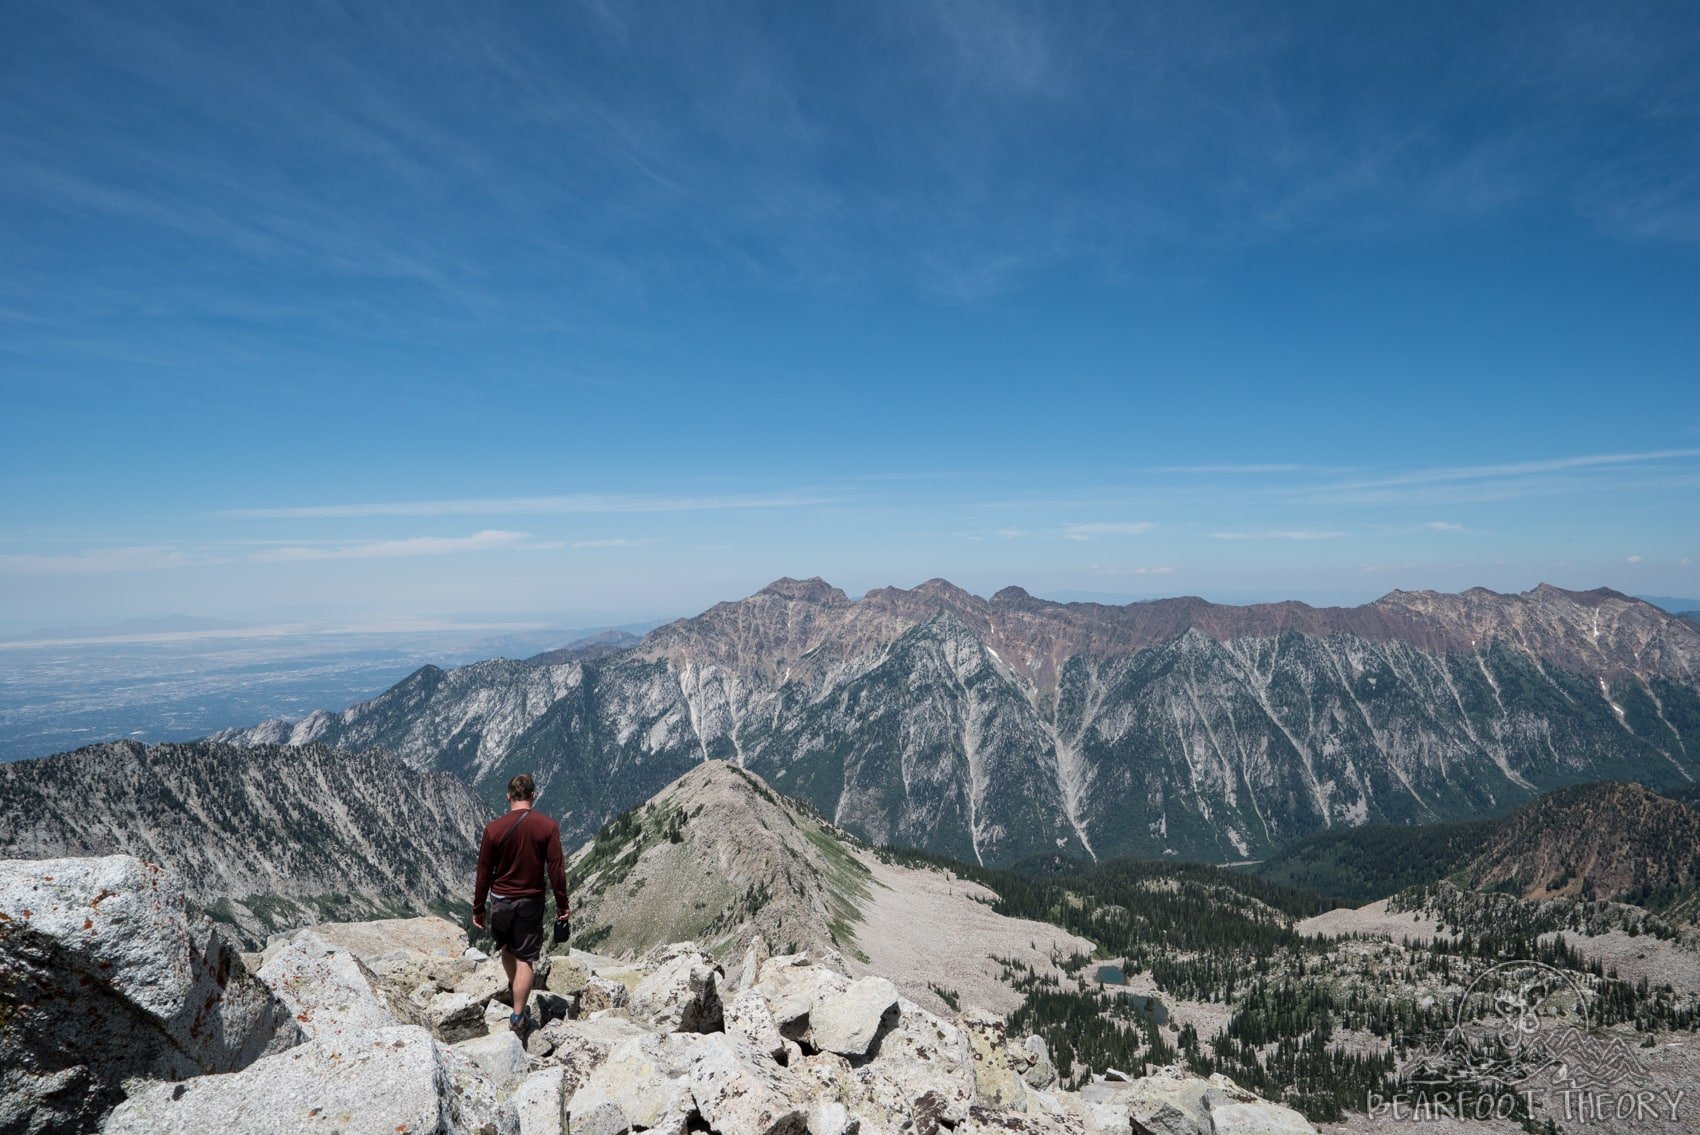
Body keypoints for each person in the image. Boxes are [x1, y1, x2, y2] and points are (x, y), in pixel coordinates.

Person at [472, 773, 570, 1037]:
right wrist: (563, 905)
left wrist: (478, 907)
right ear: (533, 796)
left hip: (500, 901)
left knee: (507, 948)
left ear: (508, 797)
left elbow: (483, 871)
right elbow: (556, 870)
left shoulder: (493, 829)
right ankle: (518, 1015)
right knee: (525, 958)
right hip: (530, 900)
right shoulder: (547, 826)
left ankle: (516, 987)